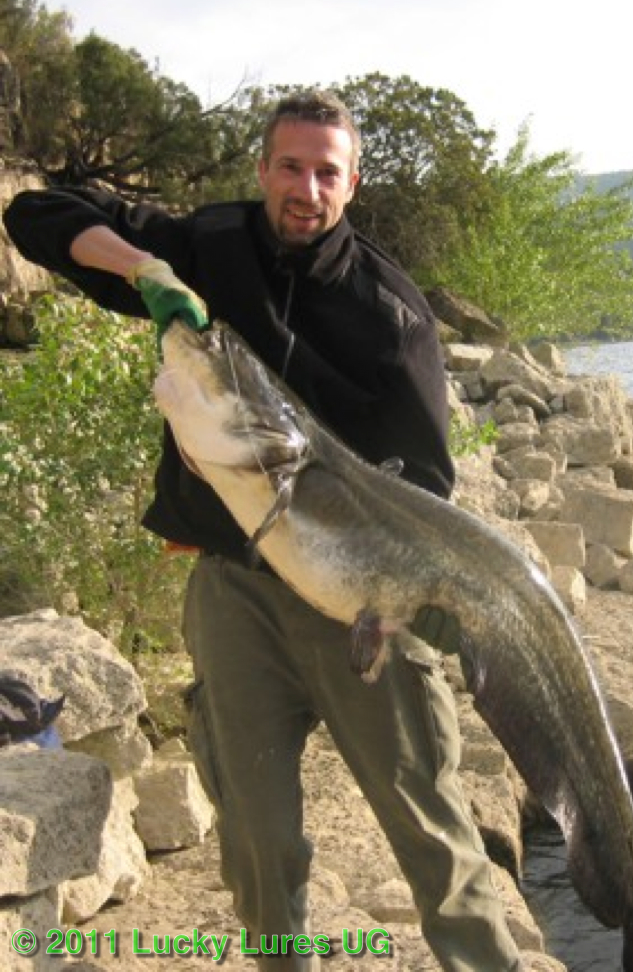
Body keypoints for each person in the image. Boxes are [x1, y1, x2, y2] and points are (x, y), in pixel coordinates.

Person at [4, 91, 522, 971]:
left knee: (434, 838)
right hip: (233, 591)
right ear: (263, 170)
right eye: (290, 166)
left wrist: (411, 600)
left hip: (359, 604)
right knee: (256, 846)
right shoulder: (209, 245)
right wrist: (147, 272)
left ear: (352, 183)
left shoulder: (394, 320)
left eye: (328, 172)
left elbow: (428, 487)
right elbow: (36, 214)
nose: (306, 189)